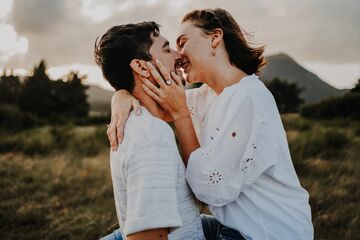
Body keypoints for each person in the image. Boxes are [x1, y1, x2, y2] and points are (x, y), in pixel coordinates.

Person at [108, 8, 314, 240]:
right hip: (231, 225)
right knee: (121, 235)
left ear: (215, 38)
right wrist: (121, 95)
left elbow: (211, 191)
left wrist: (182, 117)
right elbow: (152, 100)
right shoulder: (207, 96)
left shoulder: (248, 98)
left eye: (183, 42)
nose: (178, 54)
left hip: (265, 232)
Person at [94, 21, 205, 240]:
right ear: (142, 67)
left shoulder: (138, 123)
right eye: (166, 49)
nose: (177, 56)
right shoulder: (151, 137)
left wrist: (121, 94)